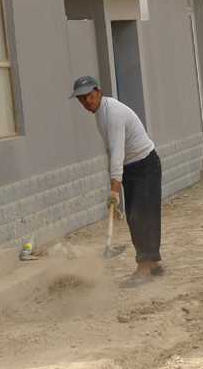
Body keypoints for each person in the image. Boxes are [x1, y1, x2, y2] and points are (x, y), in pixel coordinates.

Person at [70, 76, 164, 287]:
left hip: (145, 166)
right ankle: (155, 263)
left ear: (98, 91)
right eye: (82, 99)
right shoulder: (99, 112)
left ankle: (143, 271)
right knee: (135, 217)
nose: (86, 101)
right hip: (132, 167)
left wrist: (114, 190)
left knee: (142, 217)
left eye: (89, 96)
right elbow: (115, 149)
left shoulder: (112, 113)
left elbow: (118, 153)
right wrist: (115, 174)